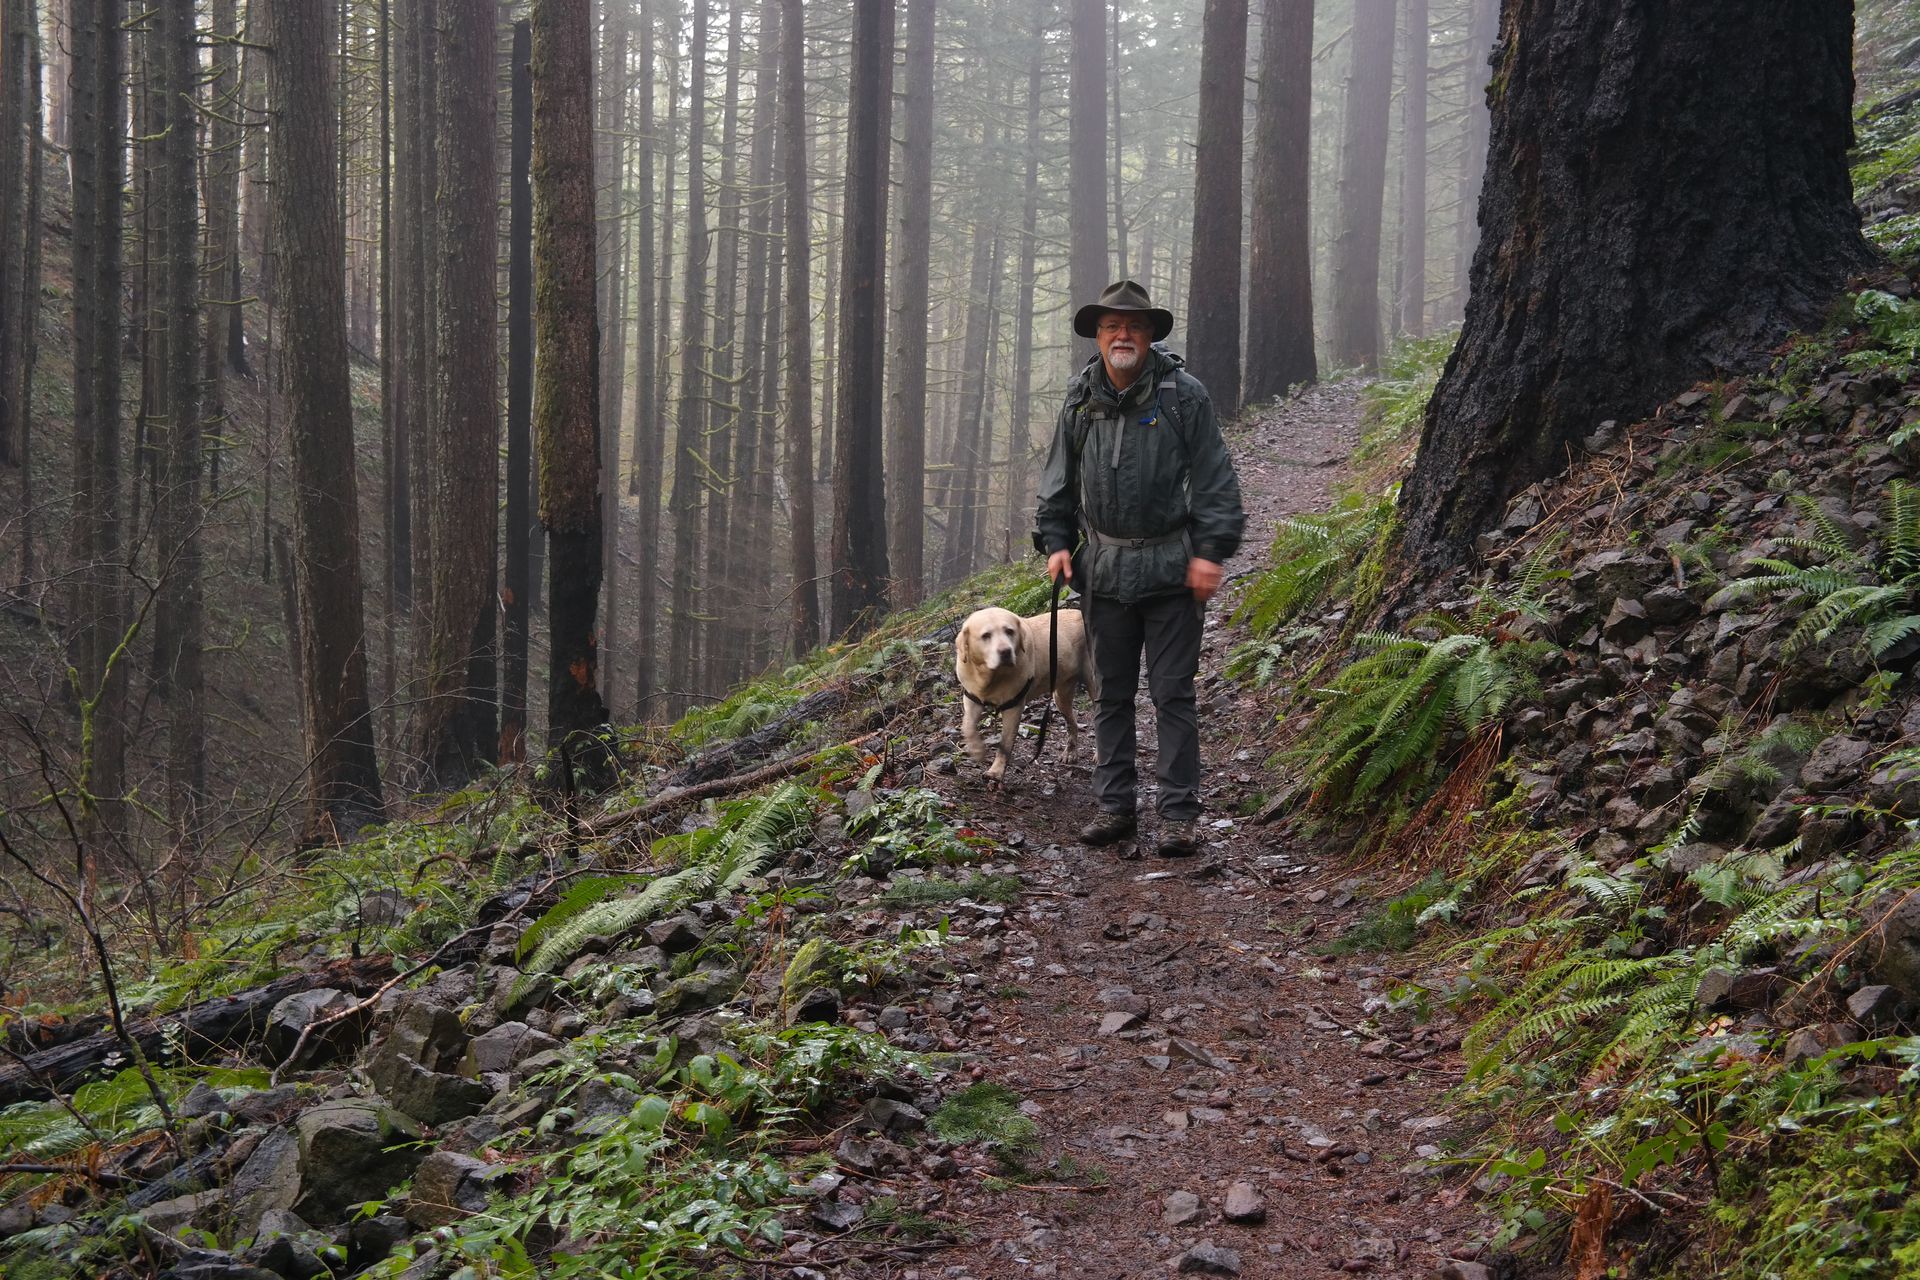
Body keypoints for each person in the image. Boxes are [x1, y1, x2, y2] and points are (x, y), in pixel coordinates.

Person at [1034, 279, 1246, 857]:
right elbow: (1057, 481)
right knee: (1110, 694)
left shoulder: (1184, 396)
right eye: (1110, 326)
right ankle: (1115, 806)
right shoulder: (1081, 398)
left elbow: (1216, 481)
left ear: (1150, 335)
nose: (1121, 334)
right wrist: (1056, 541)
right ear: (1099, 336)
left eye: (1132, 325)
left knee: (1173, 693)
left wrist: (1209, 551)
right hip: (1102, 570)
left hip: (1173, 571)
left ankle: (1178, 814)